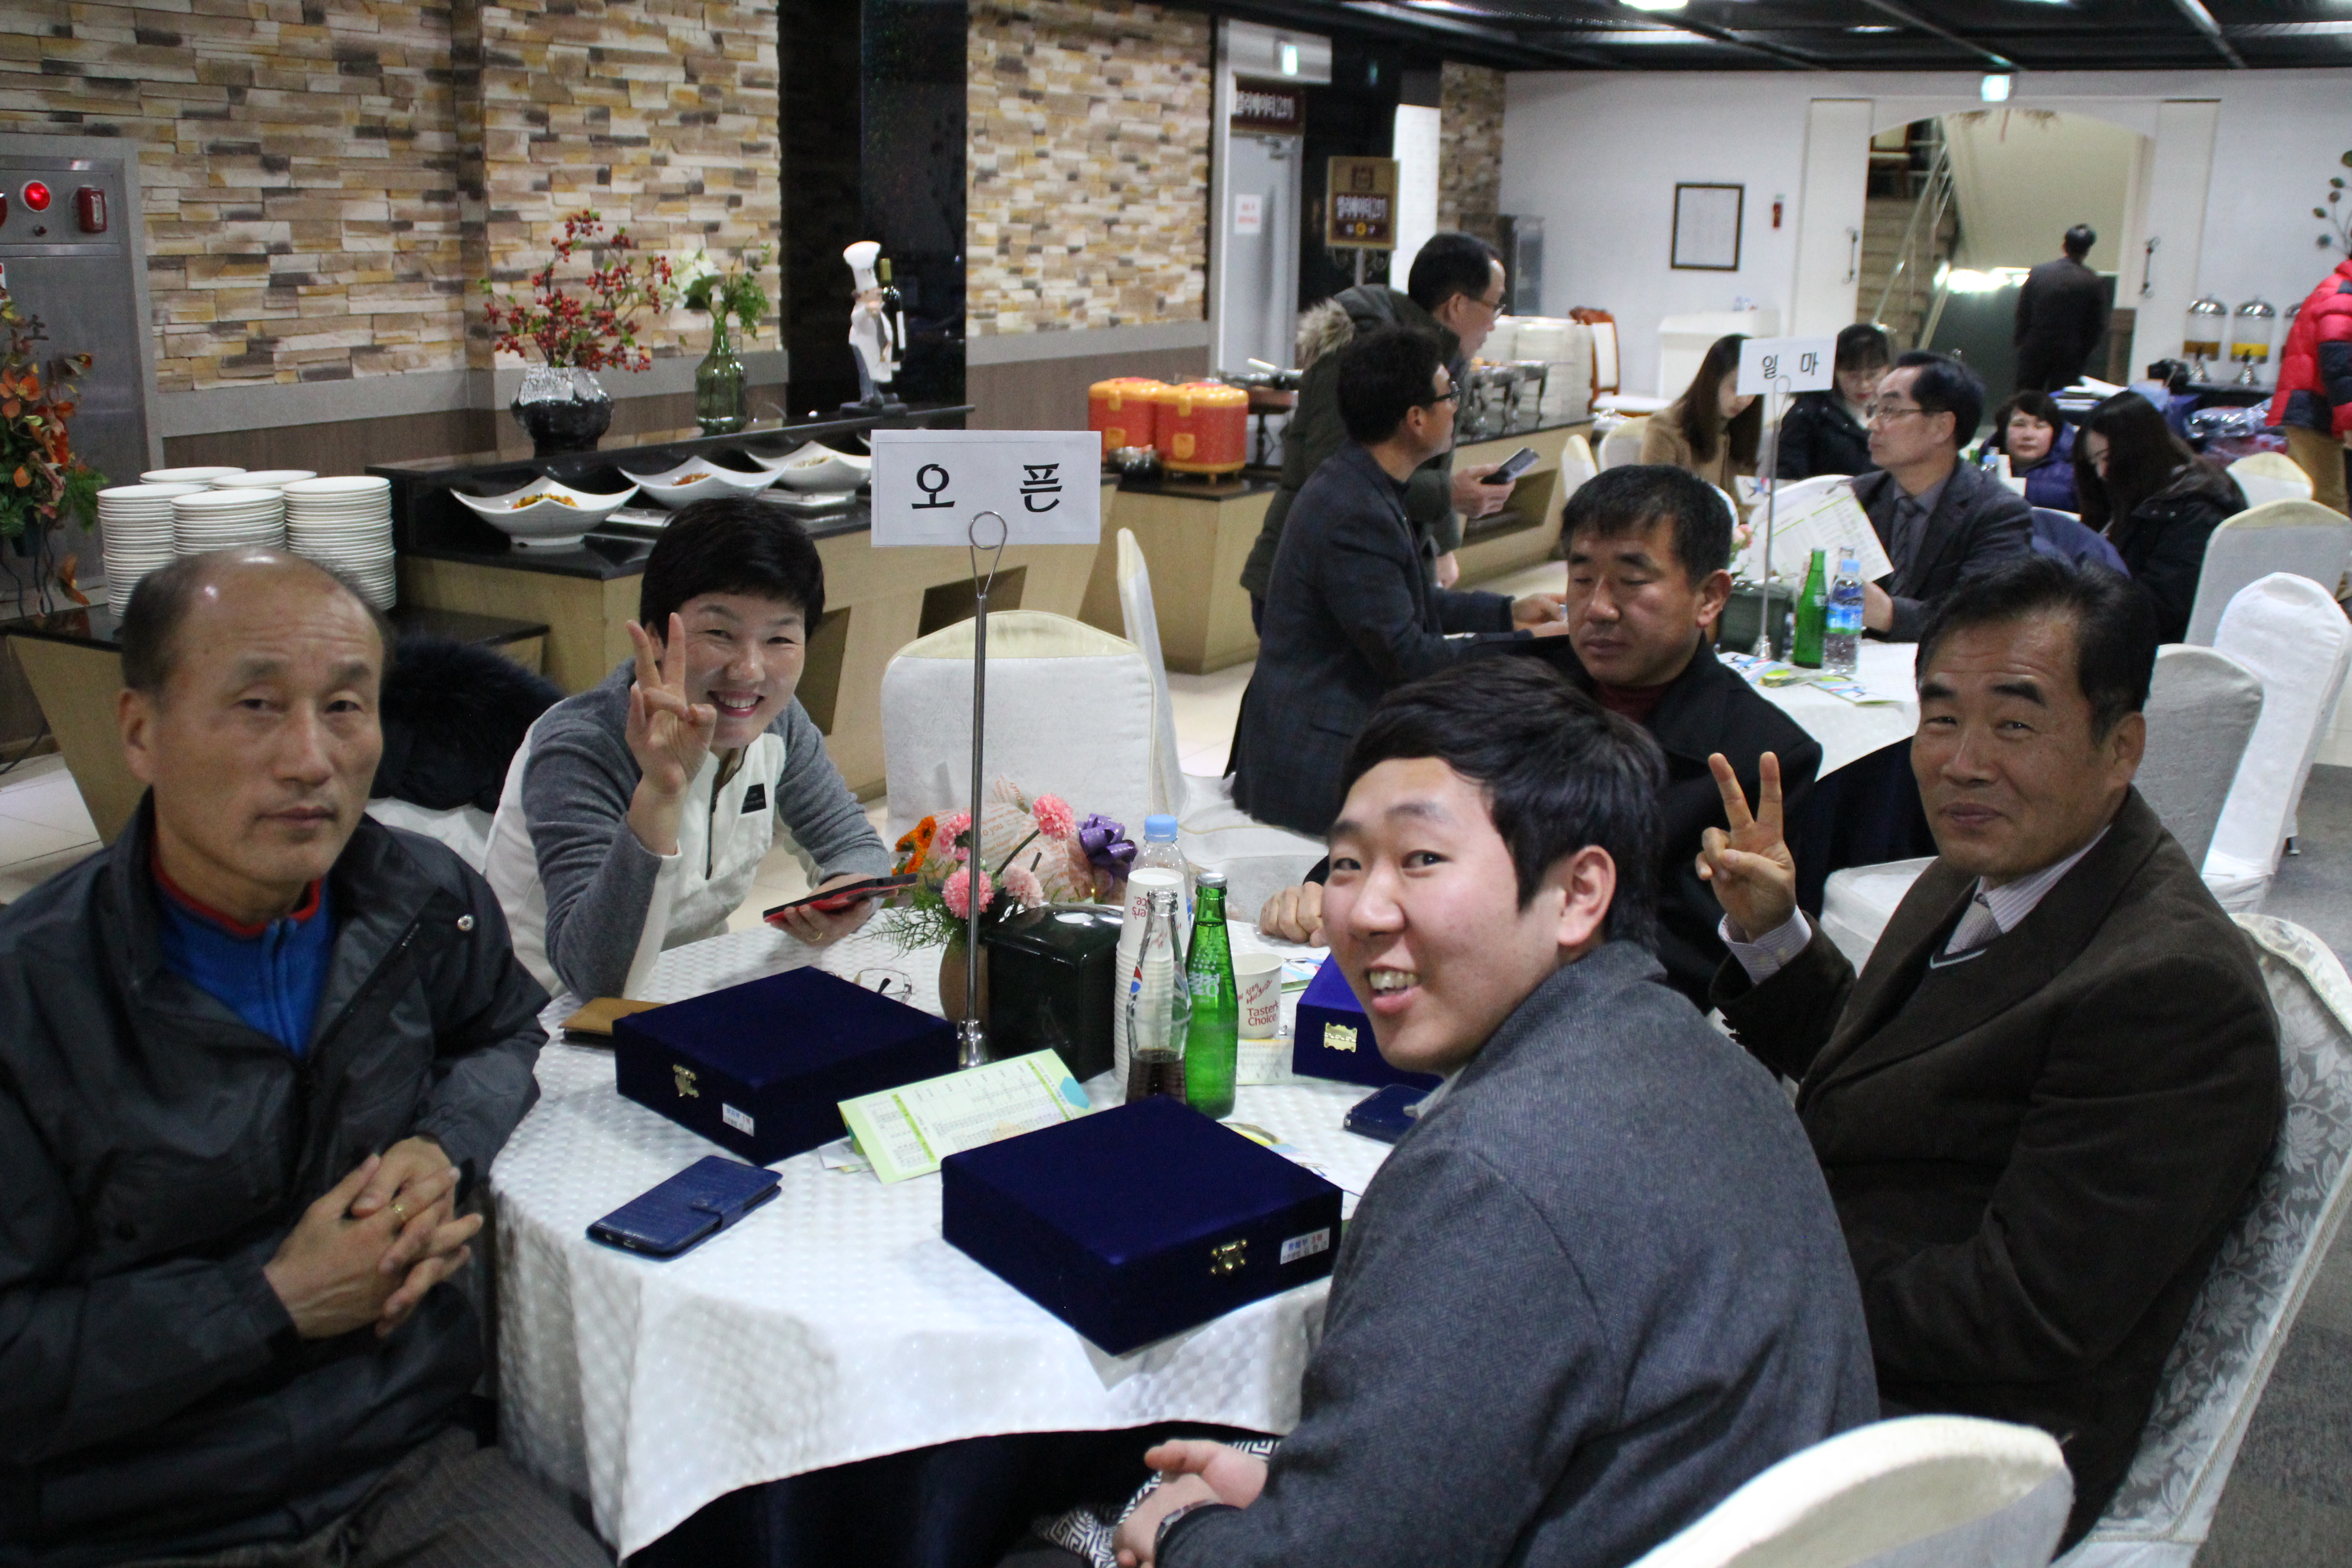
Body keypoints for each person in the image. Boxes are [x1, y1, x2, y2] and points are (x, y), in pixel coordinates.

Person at [1116, 660, 1877, 1568]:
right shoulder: (1709, 1063)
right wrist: (1306, 1491)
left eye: (1422, 859)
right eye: (1348, 863)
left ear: (1579, 894)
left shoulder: (1489, 1176)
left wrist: (1184, 1529)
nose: (1363, 910)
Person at [0, 550, 607, 1567]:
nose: (310, 759)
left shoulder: (422, 899)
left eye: (344, 707)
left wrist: (440, 1143)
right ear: (140, 731)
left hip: (399, 1459)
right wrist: (273, 1301)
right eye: (256, 705)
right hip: (134, 1515)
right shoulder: (32, 995)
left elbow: (505, 1030)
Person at [1697, 555, 2280, 1546]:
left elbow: (2025, 1314)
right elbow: (1896, 1074)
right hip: (1848, 1336)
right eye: (1940, 718)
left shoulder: (2170, 992)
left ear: (2120, 747)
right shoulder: (1999, 864)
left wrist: (1755, 1267)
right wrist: (1776, 935)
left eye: (2014, 725)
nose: (1963, 764)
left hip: (1953, 1450)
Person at [1258, 464, 1822, 1008]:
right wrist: (1332, 884)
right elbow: (1401, 813)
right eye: (1582, 578)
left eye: (1632, 582)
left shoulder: (1758, 757)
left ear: (1710, 597)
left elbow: (1694, 964)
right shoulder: (1507, 684)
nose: (1598, 608)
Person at [485, 498, 891, 1001]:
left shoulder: (779, 722)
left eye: (780, 639)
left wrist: (850, 893)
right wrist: (661, 792)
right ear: (656, 637)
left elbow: (853, 844)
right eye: (720, 634)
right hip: (542, 1015)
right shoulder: (582, 747)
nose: (749, 670)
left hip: (686, 991)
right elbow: (594, 978)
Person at [1230, 326, 1568, 836]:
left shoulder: (1362, 481)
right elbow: (1409, 658)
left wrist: (1507, 613)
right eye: (1449, 395)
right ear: (1416, 419)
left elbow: (1401, 601)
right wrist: (1526, 646)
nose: (1456, 407)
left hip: (1315, 732)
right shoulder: (1356, 510)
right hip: (1315, 760)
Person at [1238, 232, 1517, 616]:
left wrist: (1441, 546)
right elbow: (1333, 470)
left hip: (1373, 568)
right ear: (1458, 305)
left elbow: (1431, 461)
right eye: (1495, 306)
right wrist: (1448, 496)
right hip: (1312, 578)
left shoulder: (1446, 359)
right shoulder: (1366, 351)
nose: (1495, 324)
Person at [1851, 351, 2034, 641]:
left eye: (1890, 410)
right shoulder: (1858, 496)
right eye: (1874, 409)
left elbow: (1981, 619)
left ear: (1942, 427)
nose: (1872, 424)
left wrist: (1888, 613)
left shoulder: (1998, 512)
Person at [2074, 391, 2246, 643]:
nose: (2102, 473)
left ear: (2138, 450)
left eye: (2108, 458)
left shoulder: (2196, 509)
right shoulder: (2154, 490)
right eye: (2095, 463)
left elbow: (2159, 605)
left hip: (2161, 644)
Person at [2265, 253, 2352, 516]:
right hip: (2315, 410)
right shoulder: (2343, 294)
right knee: (2327, 507)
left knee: (2306, 502)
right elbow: (2339, 365)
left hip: (2318, 409)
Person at [1640, 331, 1760, 509]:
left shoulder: (1741, 427)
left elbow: (1747, 501)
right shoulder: (1667, 427)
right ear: (1713, 381)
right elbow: (1658, 500)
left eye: (1753, 391)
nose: (1744, 400)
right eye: (1736, 388)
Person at [1774, 323, 1889, 480]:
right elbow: (1788, 477)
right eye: (1853, 376)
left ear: (1888, 369)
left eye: (1873, 375)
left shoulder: (1898, 411)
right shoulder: (1809, 414)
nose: (1864, 385)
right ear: (1835, 371)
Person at [2014, 224, 2109, 392]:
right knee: (2061, 400)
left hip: (2035, 348)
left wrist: (2022, 343)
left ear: (2064, 246)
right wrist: (2082, 353)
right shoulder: (2093, 282)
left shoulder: (2038, 273)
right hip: (2069, 355)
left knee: (2026, 398)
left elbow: (2023, 313)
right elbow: (2096, 326)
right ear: (2087, 251)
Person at [1982, 389, 2079, 512]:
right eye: (2019, 425)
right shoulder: (1982, 471)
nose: (2028, 435)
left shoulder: (2074, 478)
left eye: (2040, 427)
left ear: (2054, 435)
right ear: (2003, 432)